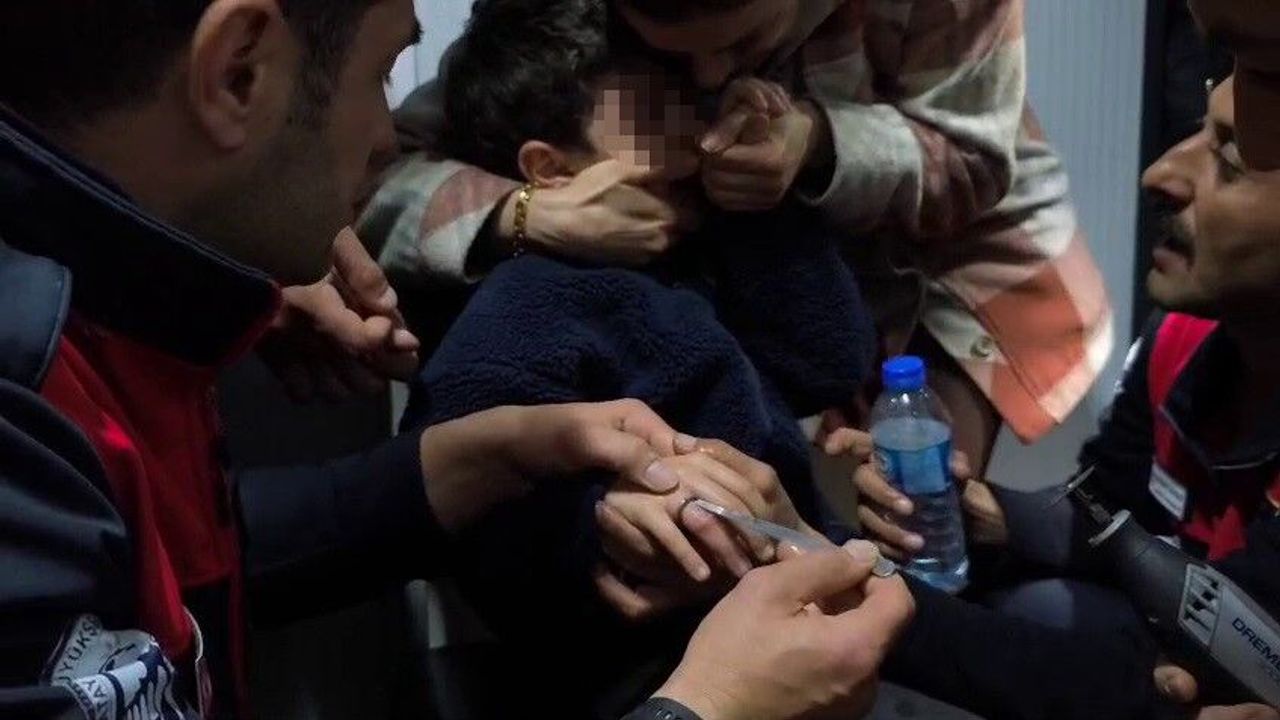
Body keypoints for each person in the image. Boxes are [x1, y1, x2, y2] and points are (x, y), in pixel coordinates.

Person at [0, 1, 912, 719]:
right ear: (239, 71)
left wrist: (465, 464)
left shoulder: (125, 326)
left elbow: (176, 554)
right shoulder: (26, 423)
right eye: (381, 74)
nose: (389, 141)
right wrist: (707, 708)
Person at [368, 0, 1111, 499]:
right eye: (667, 69)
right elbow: (375, 172)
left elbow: (972, 162)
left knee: (923, 518)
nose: (711, 82)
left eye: (745, 44)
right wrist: (526, 215)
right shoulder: (522, 320)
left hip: (953, 269)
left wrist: (817, 144)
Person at [843, 0, 1280, 717]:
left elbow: (1157, 680)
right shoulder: (1177, 343)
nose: (1161, 174)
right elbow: (1110, 509)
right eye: (1199, 131)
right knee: (1027, 599)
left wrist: (840, 582)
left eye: (1228, 164)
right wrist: (987, 516)